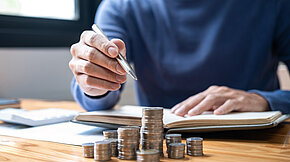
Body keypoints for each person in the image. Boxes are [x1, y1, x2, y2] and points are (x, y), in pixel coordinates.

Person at [69, 0, 290, 116]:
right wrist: (95, 84)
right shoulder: (120, 7)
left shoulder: (275, 4)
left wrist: (265, 100)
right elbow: (95, 96)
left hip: (258, 146)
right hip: (161, 150)